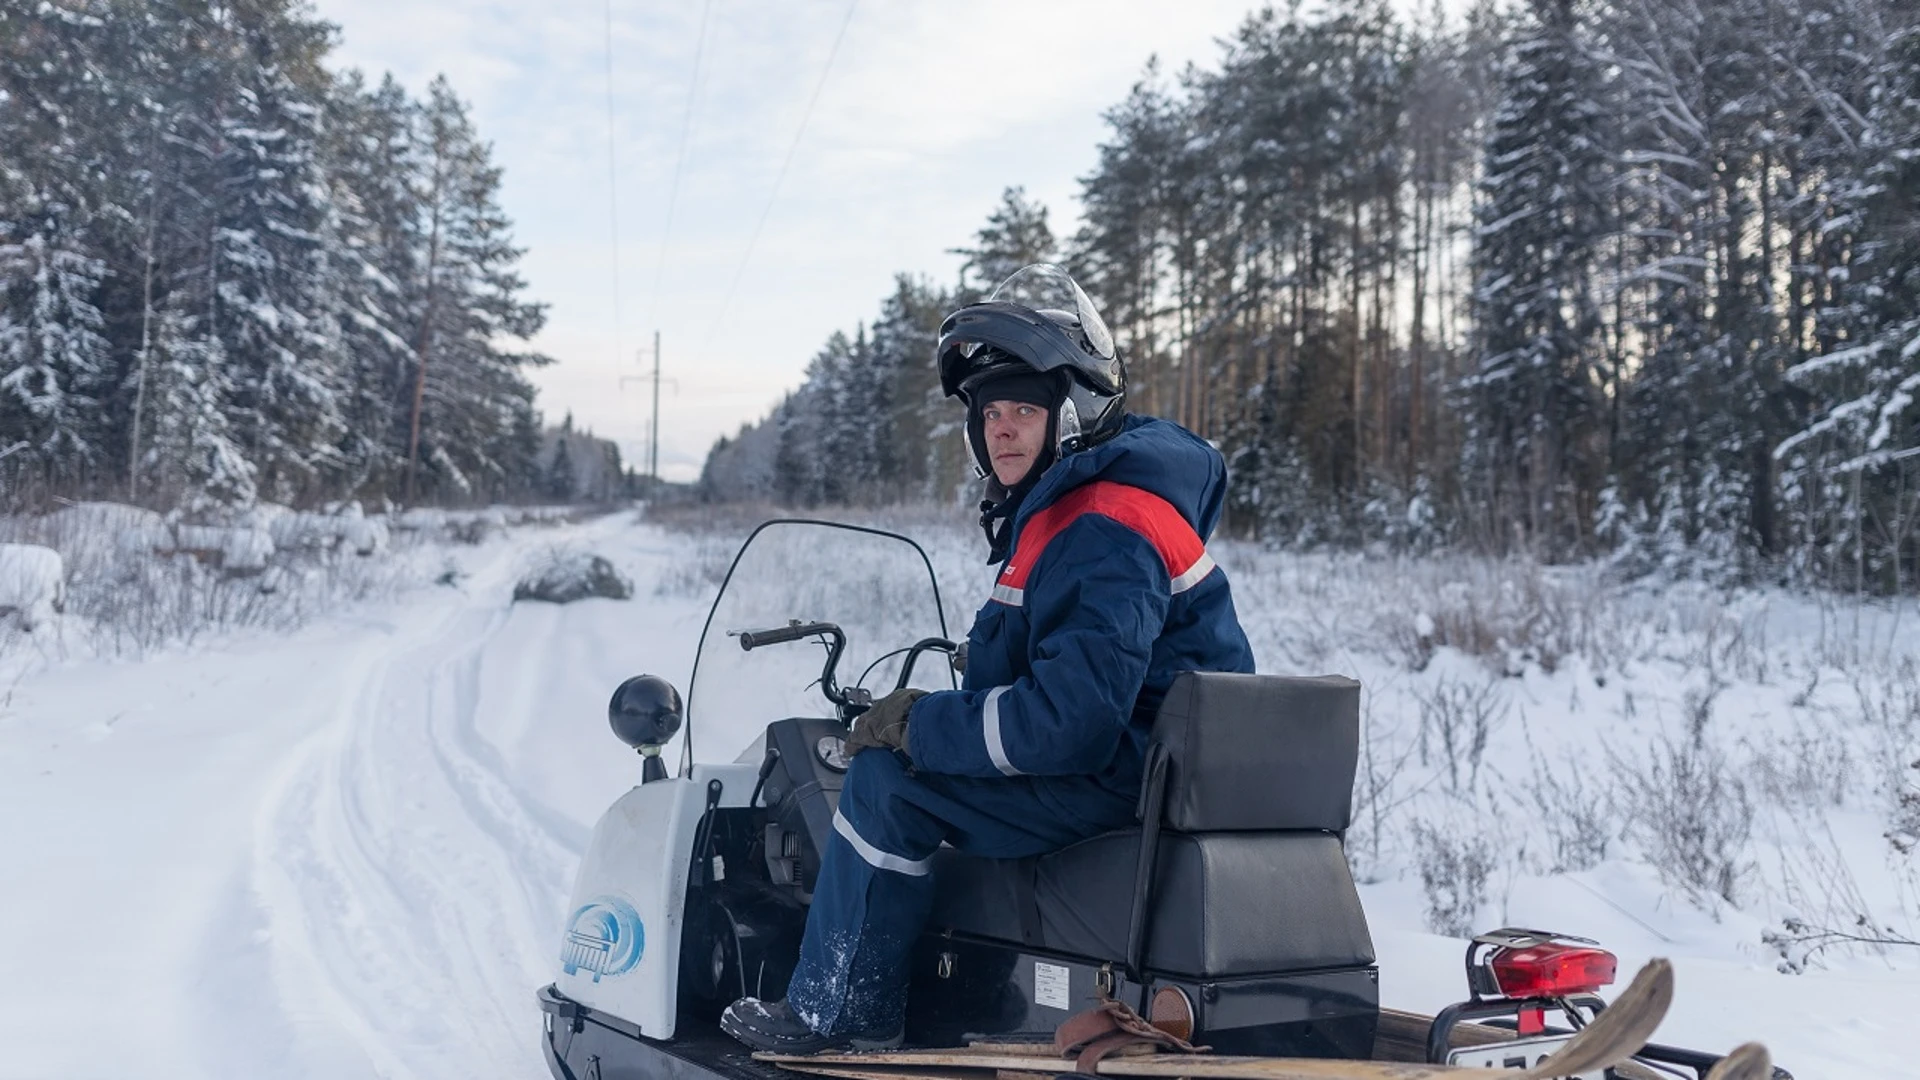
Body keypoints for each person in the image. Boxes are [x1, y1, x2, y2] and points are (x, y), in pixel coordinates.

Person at [719, 264, 1255, 1052]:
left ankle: (838, 1017)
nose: (1000, 429)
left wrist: (921, 726)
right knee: (927, 769)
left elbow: (1068, 725)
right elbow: (1087, 660)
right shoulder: (1089, 505)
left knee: (886, 784)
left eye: (1023, 410)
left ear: (1069, 415)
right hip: (1152, 768)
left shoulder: (1101, 523)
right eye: (989, 412)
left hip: (1120, 775)